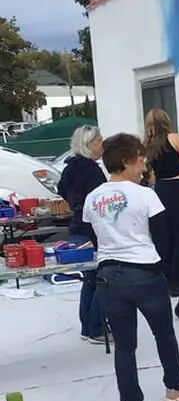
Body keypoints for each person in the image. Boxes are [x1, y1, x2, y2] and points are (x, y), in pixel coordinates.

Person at [83, 133, 179, 401]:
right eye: (141, 160)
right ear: (127, 161)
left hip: (108, 275)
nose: (144, 167)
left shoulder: (92, 197)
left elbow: (93, 237)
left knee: (124, 346)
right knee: (163, 334)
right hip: (144, 272)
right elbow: (163, 237)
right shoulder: (145, 194)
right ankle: (174, 385)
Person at [56, 125, 107, 344]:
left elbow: (61, 188)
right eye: (99, 141)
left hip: (77, 226)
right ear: (89, 144)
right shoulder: (92, 171)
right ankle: (96, 327)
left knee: (89, 279)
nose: (102, 145)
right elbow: (102, 198)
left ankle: (87, 326)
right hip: (91, 228)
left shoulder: (70, 168)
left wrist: (74, 202)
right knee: (101, 279)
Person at [143, 109, 179, 297]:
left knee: (164, 237)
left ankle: (165, 280)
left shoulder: (148, 145)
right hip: (177, 187)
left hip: (160, 190)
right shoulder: (175, 138)